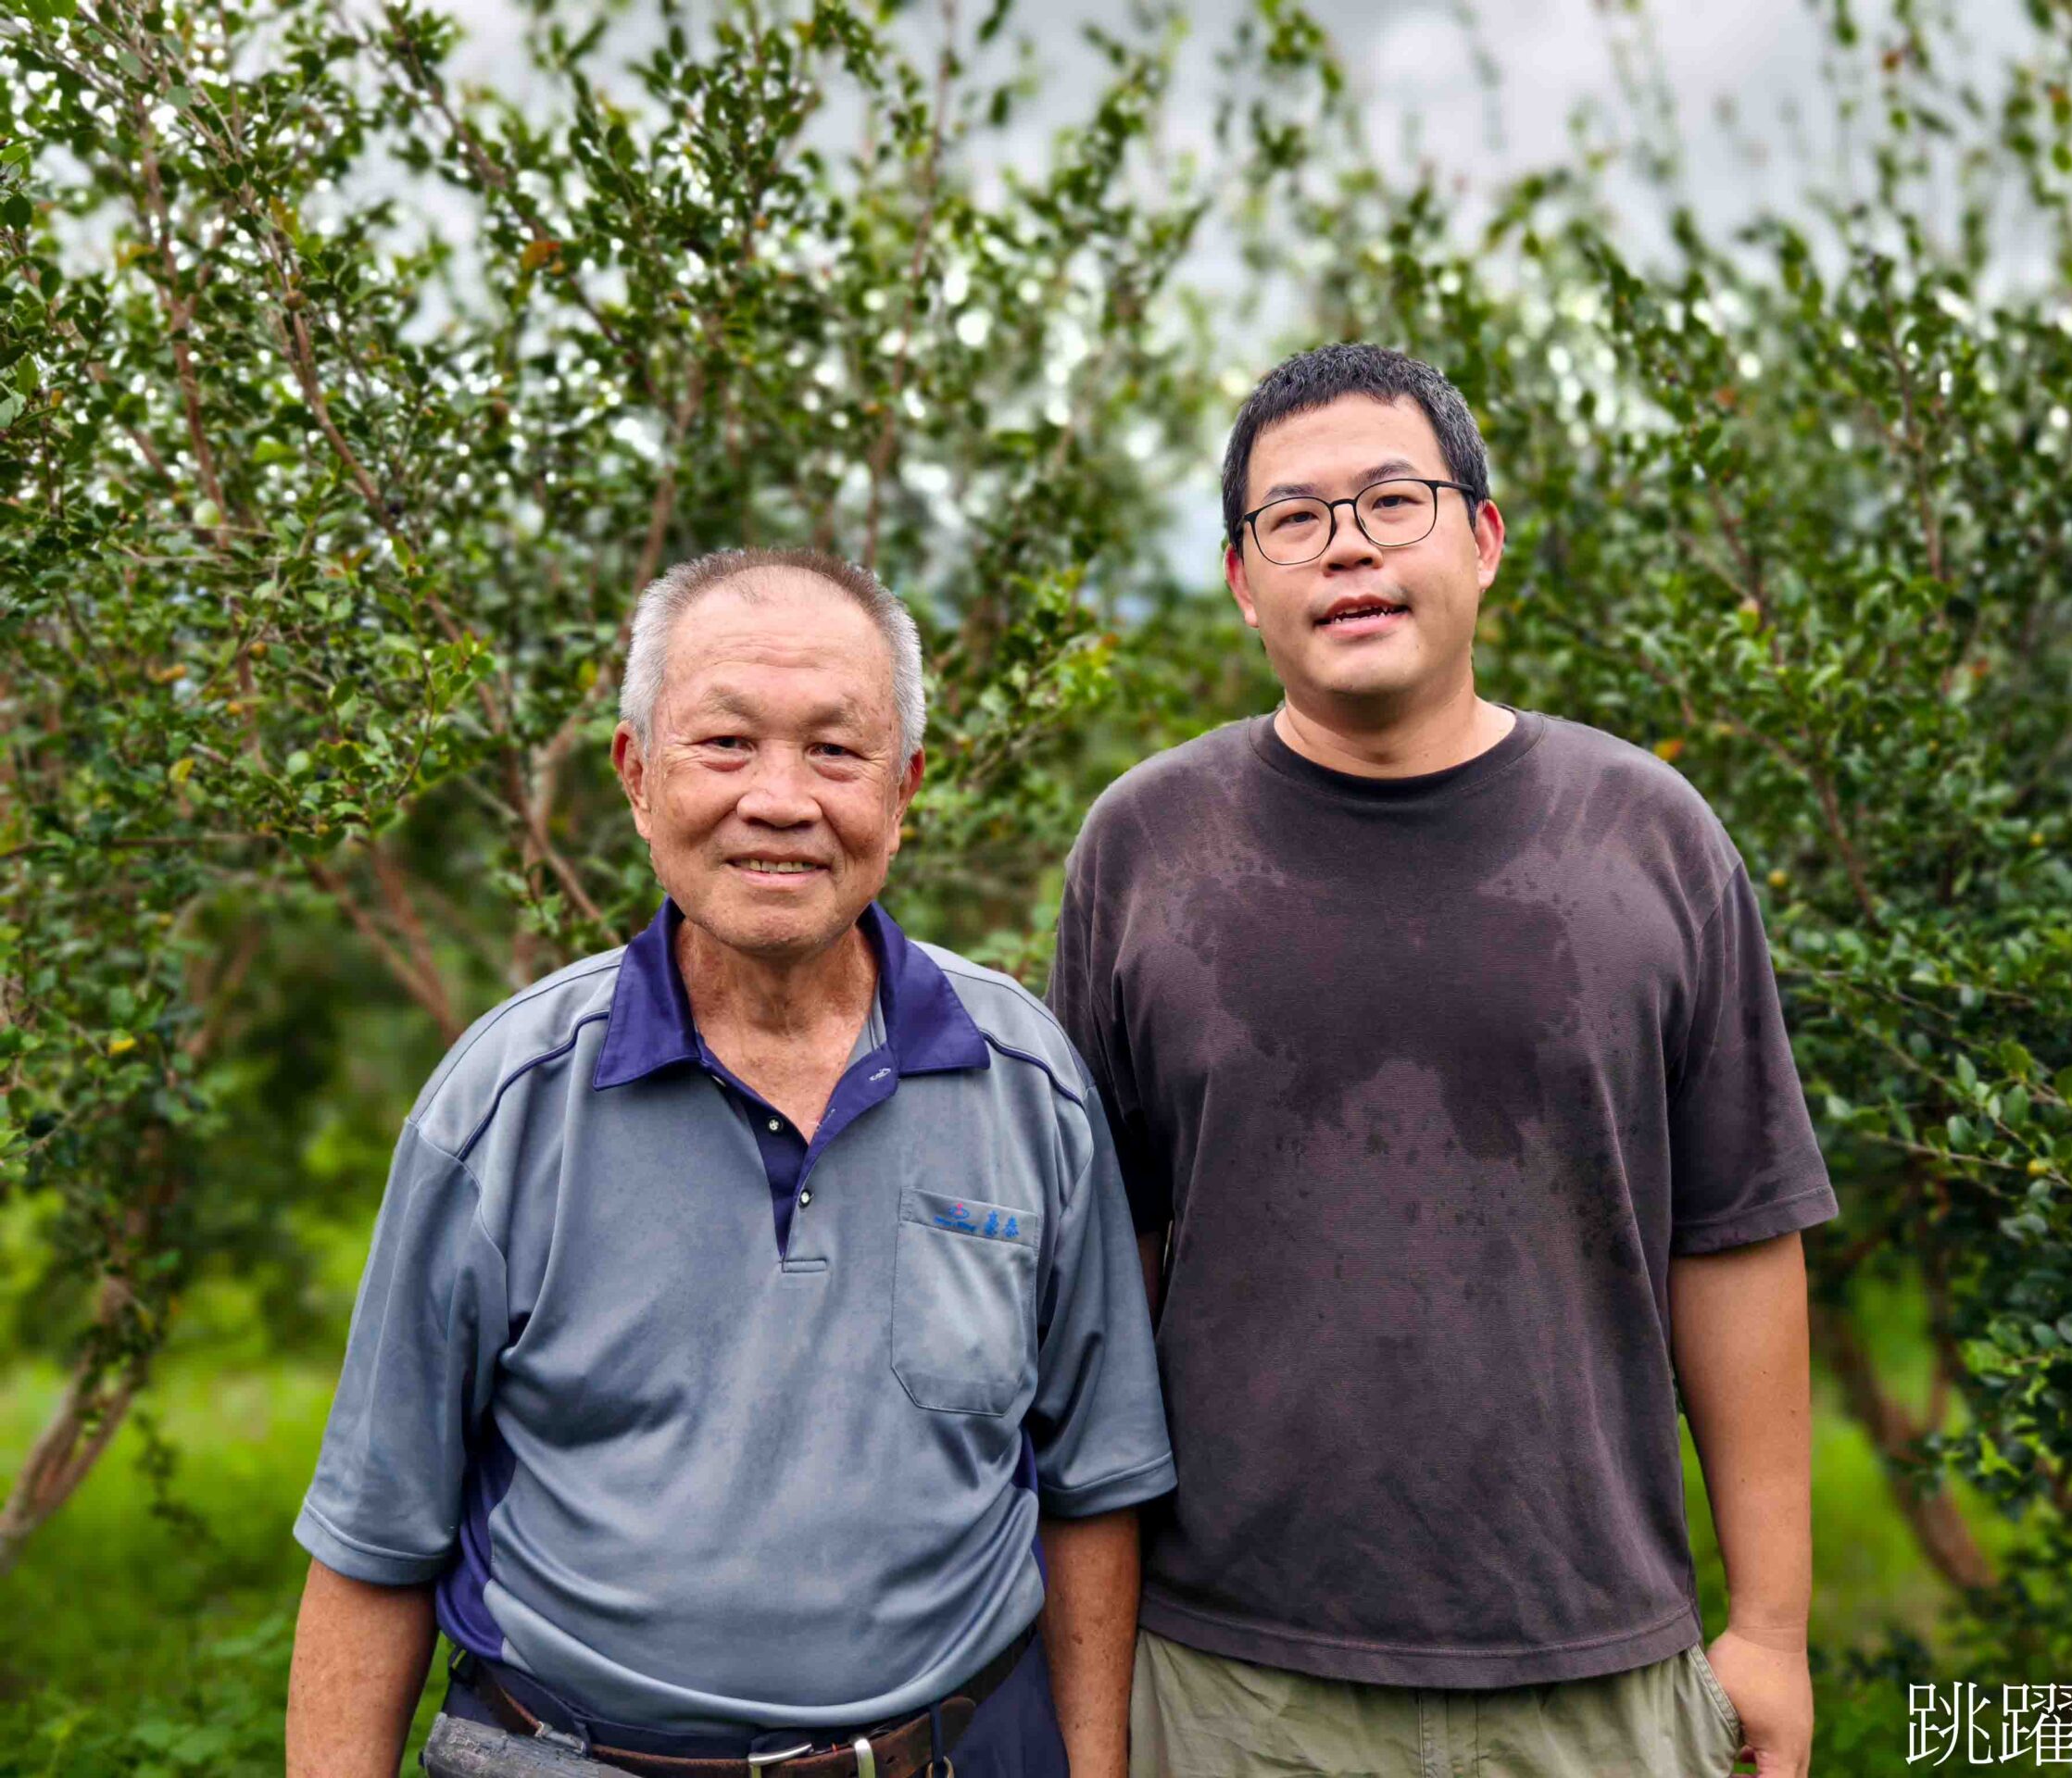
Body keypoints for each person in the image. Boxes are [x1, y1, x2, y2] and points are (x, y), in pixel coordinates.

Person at [1049, 344, 1839, 1778]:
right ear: (1242, 580)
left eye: (1391, 501)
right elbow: (1106, 1280)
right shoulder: (1147, 849)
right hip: (1234, 1680)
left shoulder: (1647, 837)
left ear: (1481, 538)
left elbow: (1735, 1238)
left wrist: (1771, 1628)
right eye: (1293, 518)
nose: (1345, 546)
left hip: (1596, 1669)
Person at [287, 547, 1174, 1778]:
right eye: (725, 744)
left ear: (903, 789)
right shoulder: (503, 1107)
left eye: (834, 750)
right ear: (637, 776)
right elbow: (374, 1543)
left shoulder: (1023, 1083)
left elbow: (1095, 1490)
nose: (779, 798)